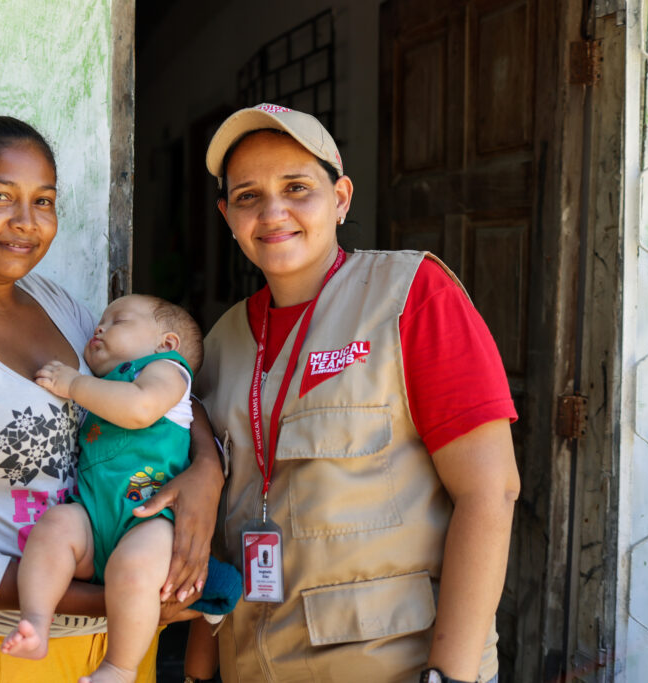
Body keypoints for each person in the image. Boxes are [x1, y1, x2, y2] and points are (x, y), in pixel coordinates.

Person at [0, 114, 223, 682]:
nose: (26, 223)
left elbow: (159, 387)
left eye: (44, 201)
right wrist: (117, 597)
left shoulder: (60, 306)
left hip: (120, 648)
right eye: (0, 196)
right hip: (5, 649)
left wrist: (207, 467)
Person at [191, 103, 521, 683]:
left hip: (396, 667)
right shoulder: (221, 343)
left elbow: (489, 493)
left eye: (297, 188)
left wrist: (450, 676)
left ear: (341, 198)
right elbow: (219, 526)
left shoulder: (411, 296)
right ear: (227, 215)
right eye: (247, 196)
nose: (273, 212)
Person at [1, 294, 211, 683]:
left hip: (149, 516)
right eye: (102, 320)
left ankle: (119, 667)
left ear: (167, 343)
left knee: (134, 574)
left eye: (118, 320)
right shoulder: (104, 382)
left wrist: (74, 384)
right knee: (54, 527)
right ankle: (35, 622)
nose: (100, 326)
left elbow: (139, 408)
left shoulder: (166, 370)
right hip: (93, 513)